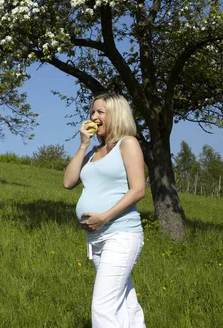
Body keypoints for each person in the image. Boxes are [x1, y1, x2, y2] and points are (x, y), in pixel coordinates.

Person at [63, 93, 146, 328]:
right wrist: (82, 145)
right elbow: (68, 182)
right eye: (92, 112)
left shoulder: (128, 143)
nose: (94, 116)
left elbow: (139, 189)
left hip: (120, 234)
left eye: (101, 112)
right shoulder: (93, 153)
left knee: (103, 306)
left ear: (116, 115)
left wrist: (104, 217)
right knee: (125, 302)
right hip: (96, 238)